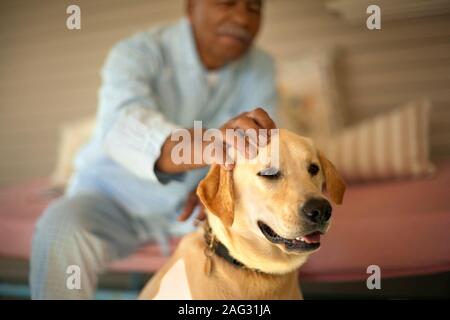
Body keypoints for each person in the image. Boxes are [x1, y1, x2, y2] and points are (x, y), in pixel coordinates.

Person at [30, 0, 277, 299]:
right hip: (111, 197)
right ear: (190, 7)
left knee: (263, 238)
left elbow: (261, 148)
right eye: (226, 2)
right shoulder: (136, 52)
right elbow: (125, 127)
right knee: (60, 229)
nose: (242, 17)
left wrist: (218, 187)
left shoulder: (260, 66)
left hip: (193, 207)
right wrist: (210, 144)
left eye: (255, 7)